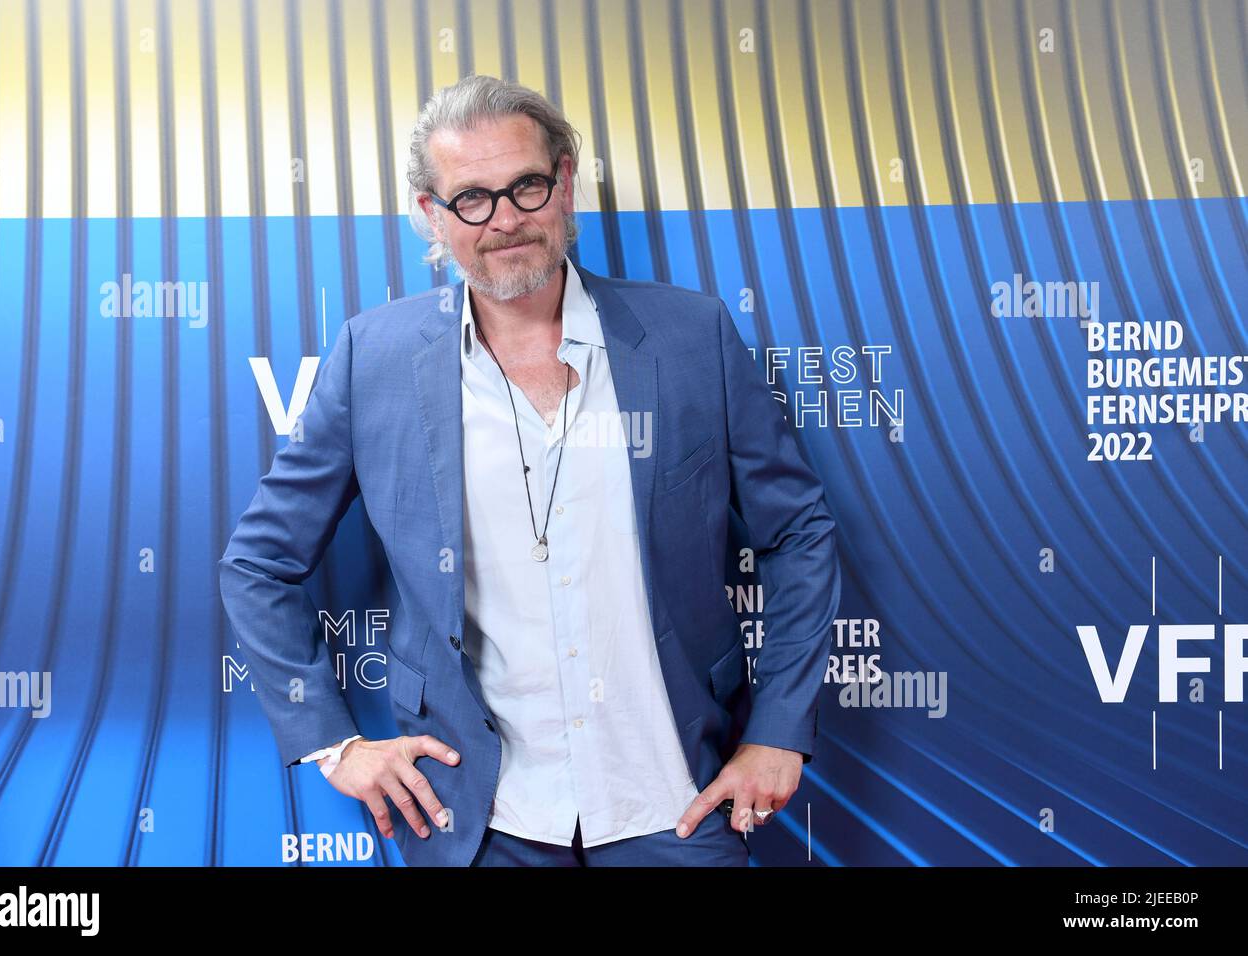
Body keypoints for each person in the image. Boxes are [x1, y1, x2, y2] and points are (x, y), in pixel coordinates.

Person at [218, 73, 841, 867]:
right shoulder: (369, 359)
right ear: (430, 216)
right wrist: (333, 745)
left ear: (567, 181)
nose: (504, 220)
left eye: (526, 186)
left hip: (676, 799)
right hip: (478, 821)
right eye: (471, 198)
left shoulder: (693, 338)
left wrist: (779, 731)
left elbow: (799, 531)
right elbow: (258, 563)